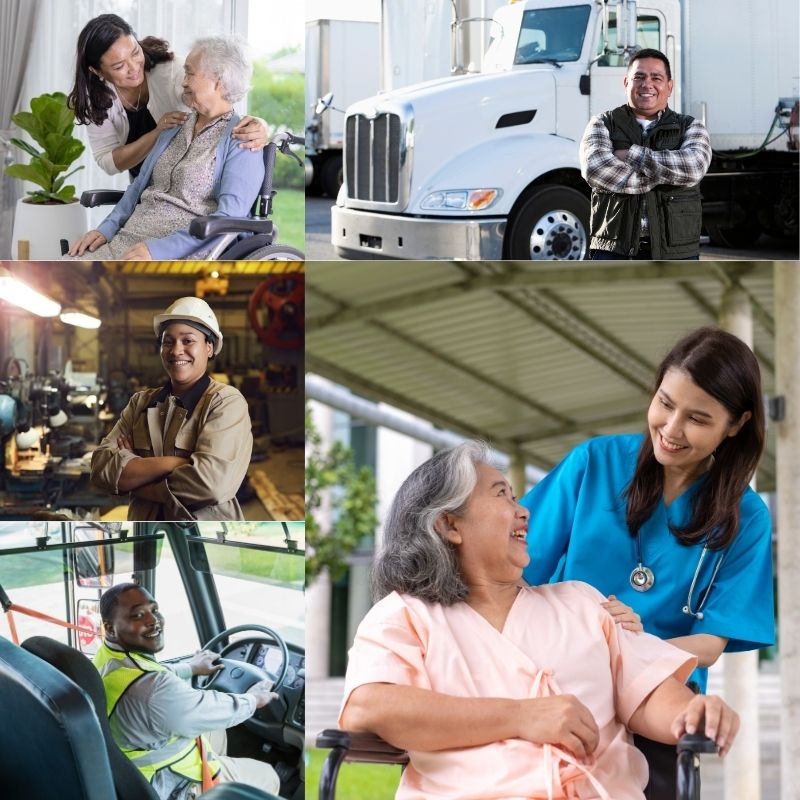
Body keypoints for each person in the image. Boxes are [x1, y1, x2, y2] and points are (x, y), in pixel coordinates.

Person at [340, 442, 739, 800]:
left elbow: (649, 694)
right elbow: (368, 707)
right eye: (502, 496)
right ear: (449, 524)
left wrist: (696, 712)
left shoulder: (582, 603)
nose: (524, 511)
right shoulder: (405, 614)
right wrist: (523, 716)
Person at [521, 327, 774, 799]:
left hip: (659, 695)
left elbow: (711, 642)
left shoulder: (747, 517)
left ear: (735, 424)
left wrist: (632, 642)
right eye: (665, 403)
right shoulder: (592, 463)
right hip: (560, 679)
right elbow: (514, 572)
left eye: (697, 418)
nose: (671, 429)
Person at [67, 35, 265, 261]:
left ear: (218, 82)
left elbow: (229, 217)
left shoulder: (242, 140)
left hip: (181, 252)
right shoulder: (173, 126)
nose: (184, 81)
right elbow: (137, 188)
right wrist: (106, 229)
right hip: (128, 240)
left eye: (190, 73)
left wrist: (159, 250)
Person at [94, 582, 280, 799]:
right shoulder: (153, 689)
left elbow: (147, 673)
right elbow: (209, 708)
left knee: (216, 732)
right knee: (268, 776)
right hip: (168, 781)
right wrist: (254, 699)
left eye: (154, 610)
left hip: (134, 749)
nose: (153, 621)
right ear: (110, 628)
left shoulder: (109, 657)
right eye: (138, 616)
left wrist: (190, 668)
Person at [91, 297, 252, 520]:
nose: (176, 351)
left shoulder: (225, 403)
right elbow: (100, 470)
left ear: (209, 347)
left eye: (188, 341)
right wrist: (172, 463)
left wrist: (137, 480)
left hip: (206, 539)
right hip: (146, 534)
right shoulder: (141, 403)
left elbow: (210, 485)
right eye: (168, 342)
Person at [68, 14, 267, 179]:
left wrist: (257, 125)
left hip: (185, 181)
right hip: (146, 187)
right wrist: (157, 134)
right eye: (119, 66)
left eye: (135, 52)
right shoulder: (96, 98)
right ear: (97, 71)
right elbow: (109, 162)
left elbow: (220, 100)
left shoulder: (172, 72)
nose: (134, 67)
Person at [579, 49, 712, 259]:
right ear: (626, 83)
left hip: (676, 253)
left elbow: (693, 168)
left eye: (656, 78)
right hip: (613, 251)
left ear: (669, 86)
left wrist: (631, 155)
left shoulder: (691, 127)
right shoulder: (601, 123)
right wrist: (662, 176)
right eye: (638, 77)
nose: (646, 84)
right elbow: (596, 169)